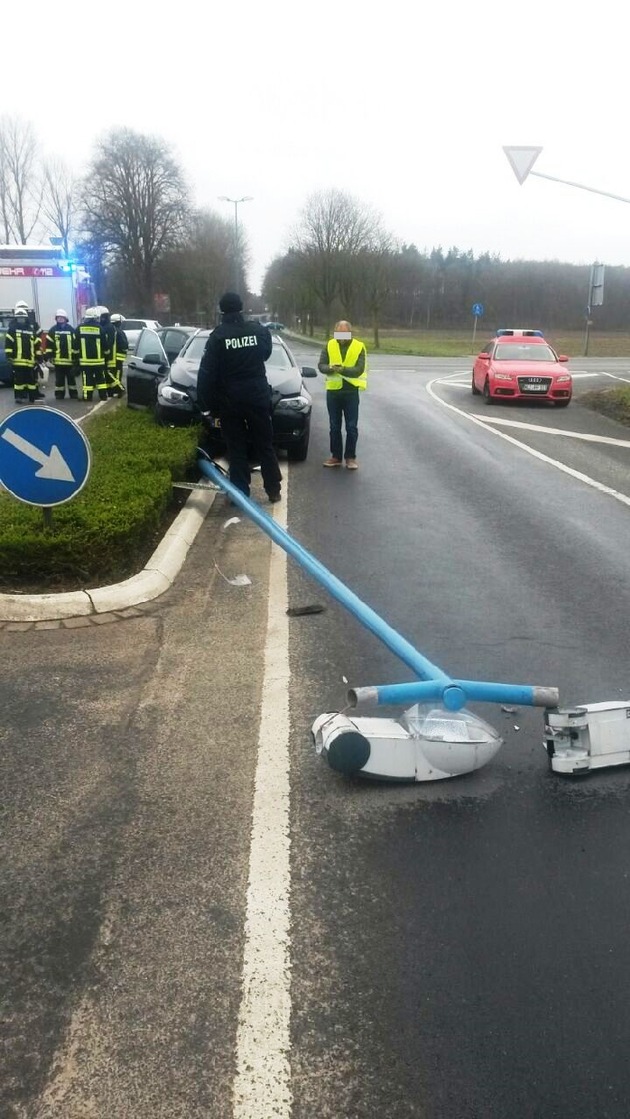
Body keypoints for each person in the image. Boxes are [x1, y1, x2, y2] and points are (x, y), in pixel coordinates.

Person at [197, 291, 282, 503]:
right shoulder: (259, 332)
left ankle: (240, 494)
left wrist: (205, 405)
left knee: (236, 448)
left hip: (230, 402)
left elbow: (207, 373)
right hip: (257, 398)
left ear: (221, 310)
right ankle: (273, 490)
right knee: (265, 445)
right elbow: (266, 354)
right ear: (241, 307)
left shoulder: (217, 337)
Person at [318, 319, 367, 468]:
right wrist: (331, 368)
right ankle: (336, 457)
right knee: (334, 426)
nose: (342, 335)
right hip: (333, 392)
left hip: (351, 391)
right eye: (339, 332)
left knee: (351, 427)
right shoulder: (329, 345)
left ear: (350, 333)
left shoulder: (359, 346)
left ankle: (350, 457)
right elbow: (321, 365)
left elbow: (359, 369)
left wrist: (343, 370)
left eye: (345, 332)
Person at [5, 305, 43, 403]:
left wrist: (39, 356)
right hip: (18, 361)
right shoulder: (12, 329)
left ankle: (32, 397)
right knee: (19, 381)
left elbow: (36, 344)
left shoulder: (30, 330)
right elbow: (8, 343)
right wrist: (9, 355)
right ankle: (19, 397)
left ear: (26, 318)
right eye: (19, 318)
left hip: (30, 361)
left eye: (22, 318)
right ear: (16, 318)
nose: (21, 320)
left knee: (31, 381)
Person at [74, 307, 110, 402]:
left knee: (87, 380)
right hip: (99, 361)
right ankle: (103, 396)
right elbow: (105, 345)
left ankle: (87, 396)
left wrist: (76, 359)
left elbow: (75, 346)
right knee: (101, 379)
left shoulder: (79, 328)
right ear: (95, 317)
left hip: (85, 362)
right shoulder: (100, 328)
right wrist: (106, 356)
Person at [45, 309, 79, 400]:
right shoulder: (53, 330)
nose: (60, 319)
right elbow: (49, 345)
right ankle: (59, 394)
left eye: (62, 317)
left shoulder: (71, 330)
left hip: (70, 360)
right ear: (56, 319)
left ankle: (73, 394)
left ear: (65, 318)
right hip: (58, 361)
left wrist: (76, 357)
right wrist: (49, 356)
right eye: (58, 317)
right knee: (59, 380)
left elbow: (76, 344)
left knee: (71, 379)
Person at [109, 313, 128, 397]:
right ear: (118, 322)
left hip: (113, 357)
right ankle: (120, 390)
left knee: (113, 374)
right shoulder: (119, 331)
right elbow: (124, 345)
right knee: (117, 375)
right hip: (118, 358)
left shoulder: (112, 330)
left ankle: (115, 390)